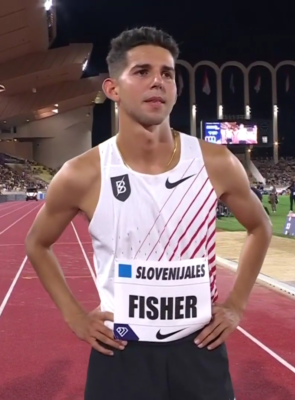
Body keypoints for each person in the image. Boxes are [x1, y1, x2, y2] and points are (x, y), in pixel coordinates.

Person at [25, 27, 273, 400]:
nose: (157, 81)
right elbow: (37, 243)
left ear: (175, 88)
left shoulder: (215, 162)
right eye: (142, 72)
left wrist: (236, 305)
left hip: (199, 347)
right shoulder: (83, 173)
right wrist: (75, 316)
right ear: (113, 89)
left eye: (167, 74)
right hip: (122, 352)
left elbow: (260, 226)